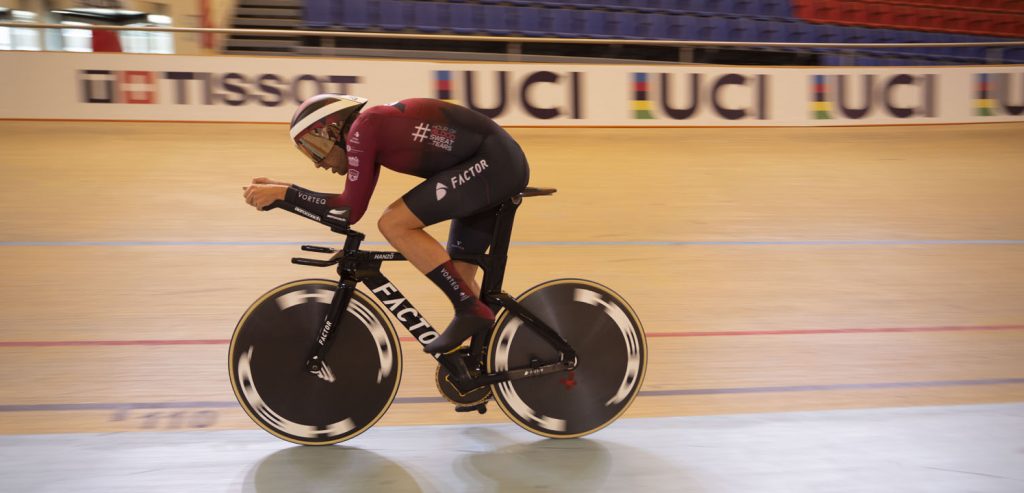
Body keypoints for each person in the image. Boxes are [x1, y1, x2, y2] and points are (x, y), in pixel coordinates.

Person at [242, 95, 530, 354]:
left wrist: (285, 194)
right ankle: (500, 357)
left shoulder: (364, 129)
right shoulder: (369, 131)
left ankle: (470, 310)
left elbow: (348, 211)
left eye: (316, 148)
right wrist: (285, 191)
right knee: (462, 279)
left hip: (494, 164)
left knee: (394, 224)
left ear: (332, 130)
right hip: (491, 164)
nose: (318, 163)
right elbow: (348, 206)